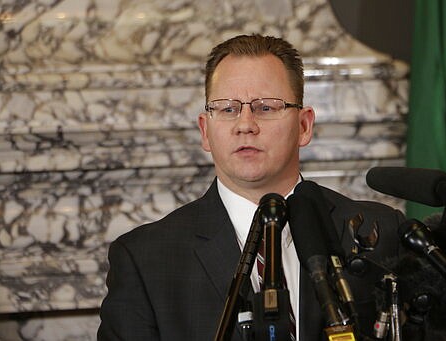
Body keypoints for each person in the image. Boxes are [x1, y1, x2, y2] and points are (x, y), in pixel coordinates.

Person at [97, 34, 405, 340]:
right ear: (205, 131)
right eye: (228, 109)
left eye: (266, 107)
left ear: (304, 126)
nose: (245, 124)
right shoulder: (146, 260)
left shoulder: (381, 234)